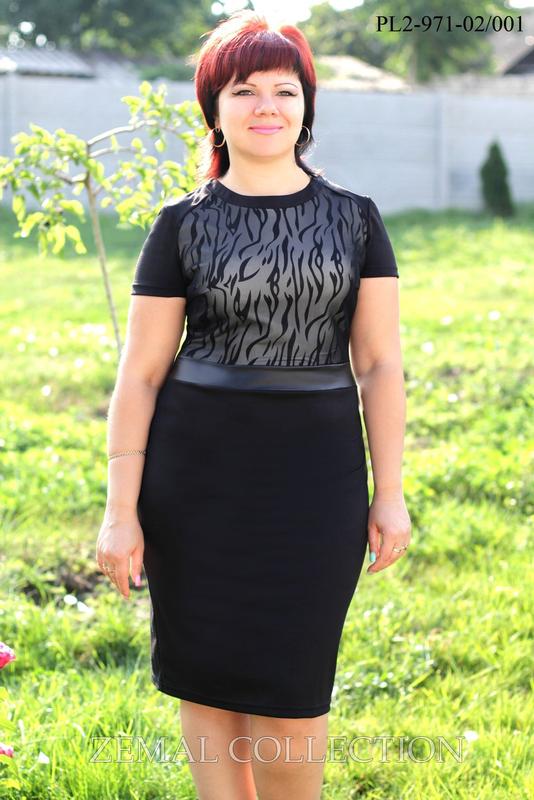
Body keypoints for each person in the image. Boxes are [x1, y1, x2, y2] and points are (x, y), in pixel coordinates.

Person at [95, 9, 411, 800]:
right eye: (244, 90)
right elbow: (140, 375)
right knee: (204, 681)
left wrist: (391, 492)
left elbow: (379, 365)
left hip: (315, 481)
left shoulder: (356, 219)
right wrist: (120, 511)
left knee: (291, 692)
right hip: (195, 479)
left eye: (284, 90)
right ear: (214, 107)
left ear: (306, 106)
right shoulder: (181, 225)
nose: (266, 105)